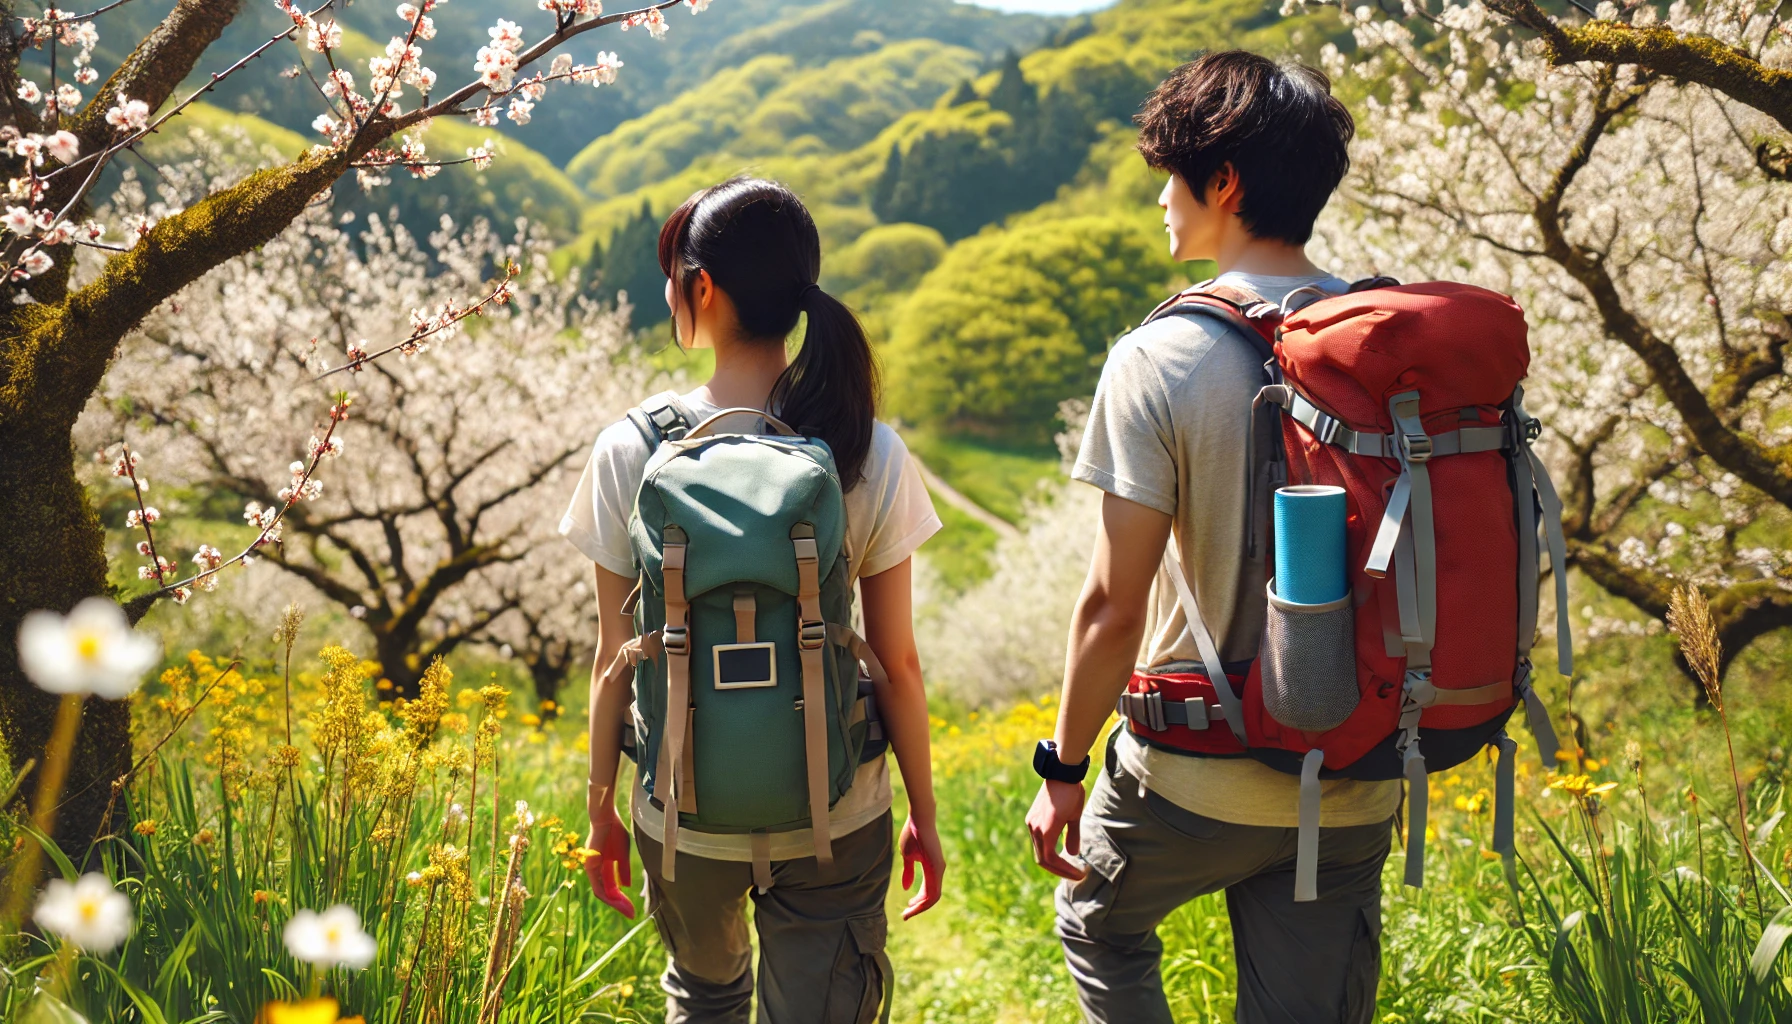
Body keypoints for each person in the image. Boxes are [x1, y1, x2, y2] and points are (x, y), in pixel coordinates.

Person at [1023, 52, 1397, 1023]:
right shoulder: (1393, 343)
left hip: (1194, 781)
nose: (1159, 197)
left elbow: (1113, 605)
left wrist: (1062, 771)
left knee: (1098, 920)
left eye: (1171, 172)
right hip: (1353, 779)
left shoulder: (1160, 357)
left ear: (1222, 183)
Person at [560, 177, 946, 1024]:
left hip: (681, 812)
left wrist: (601, 812)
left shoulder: (629, 449)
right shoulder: (868, 449)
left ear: (700, 289)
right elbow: (899, 664)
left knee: (705, 999)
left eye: (673, 276)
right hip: (838, 814)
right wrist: (922, 810)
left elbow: (610, 657)